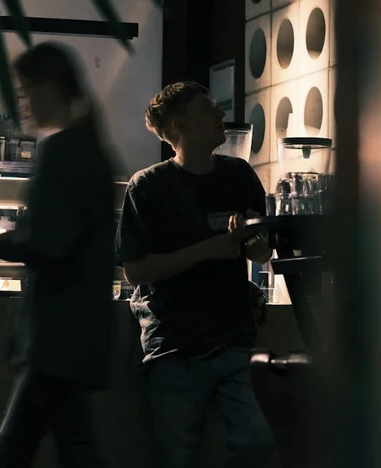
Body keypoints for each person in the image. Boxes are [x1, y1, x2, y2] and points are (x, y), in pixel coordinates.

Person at [0, 42, 114, 468]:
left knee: (14, 451)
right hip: (77, 332)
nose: (22, 103)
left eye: (25, 91)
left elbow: (49, 242)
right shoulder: (89, 148)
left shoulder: (62, 149)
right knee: (65, 446)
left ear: (49, 87)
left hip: (55, 334)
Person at [114, 81, 276, 468]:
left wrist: (248, 238)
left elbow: (262, 251)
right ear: (179, 126)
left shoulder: (238, 175)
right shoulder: (147, 186)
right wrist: (209, 249)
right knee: (177, 457)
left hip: (233, 341)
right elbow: (136, 271)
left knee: (258, 440)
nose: (220, 114)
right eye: (207, 108)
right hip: (174, 346)